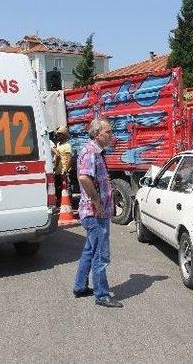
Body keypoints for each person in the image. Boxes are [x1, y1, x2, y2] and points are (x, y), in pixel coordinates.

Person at [73, 118, 122, 308]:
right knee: (100, 255)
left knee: (89, 251)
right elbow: (84, 178)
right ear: (97, 134)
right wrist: (97, 202)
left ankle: (79, 286)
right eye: (108, 132)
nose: (111, 135)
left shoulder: (96, 152)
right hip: (94, 214)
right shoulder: (92, 152)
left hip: (96, 212)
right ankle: (101, 295)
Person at [53, 126, 73, 207]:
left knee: (65, 188)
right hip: (58, 171)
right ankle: (60, 203)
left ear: (64, 136)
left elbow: (69, 159)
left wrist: (66, 170)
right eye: (57, 134)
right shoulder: (58, 144)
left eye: (60, 134)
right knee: (58, 188)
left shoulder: (67, 146)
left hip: (64, 171)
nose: (57, 136)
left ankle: (67, 204)